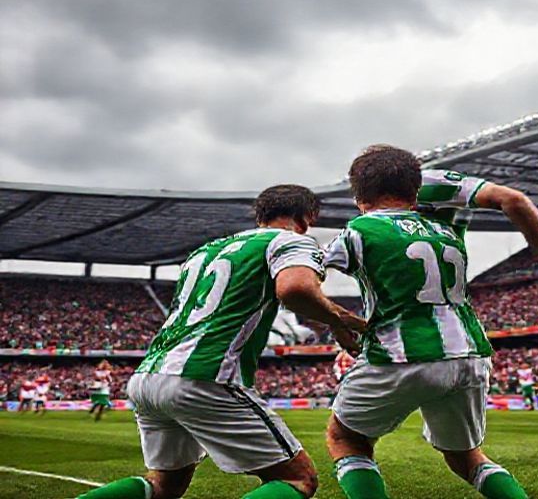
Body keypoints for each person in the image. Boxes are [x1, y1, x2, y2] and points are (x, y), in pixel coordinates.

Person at [77, 184, 365, 499]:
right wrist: (340, 320)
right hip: (206, 375)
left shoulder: (205, 251)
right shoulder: (291, 240)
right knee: (298, 479)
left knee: (163, 486)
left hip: (150, 375)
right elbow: (295, 289)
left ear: (261, 214)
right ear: (307, 217)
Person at [324, 145, 538, 499]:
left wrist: (337, 320)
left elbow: (299, 284)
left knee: (345, 438)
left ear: (359, 197)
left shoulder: (360, 228)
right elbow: (511, 199)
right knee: (467, 457)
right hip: (469, 351)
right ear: (415, 190)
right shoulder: (445, 227)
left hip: (400, 353)